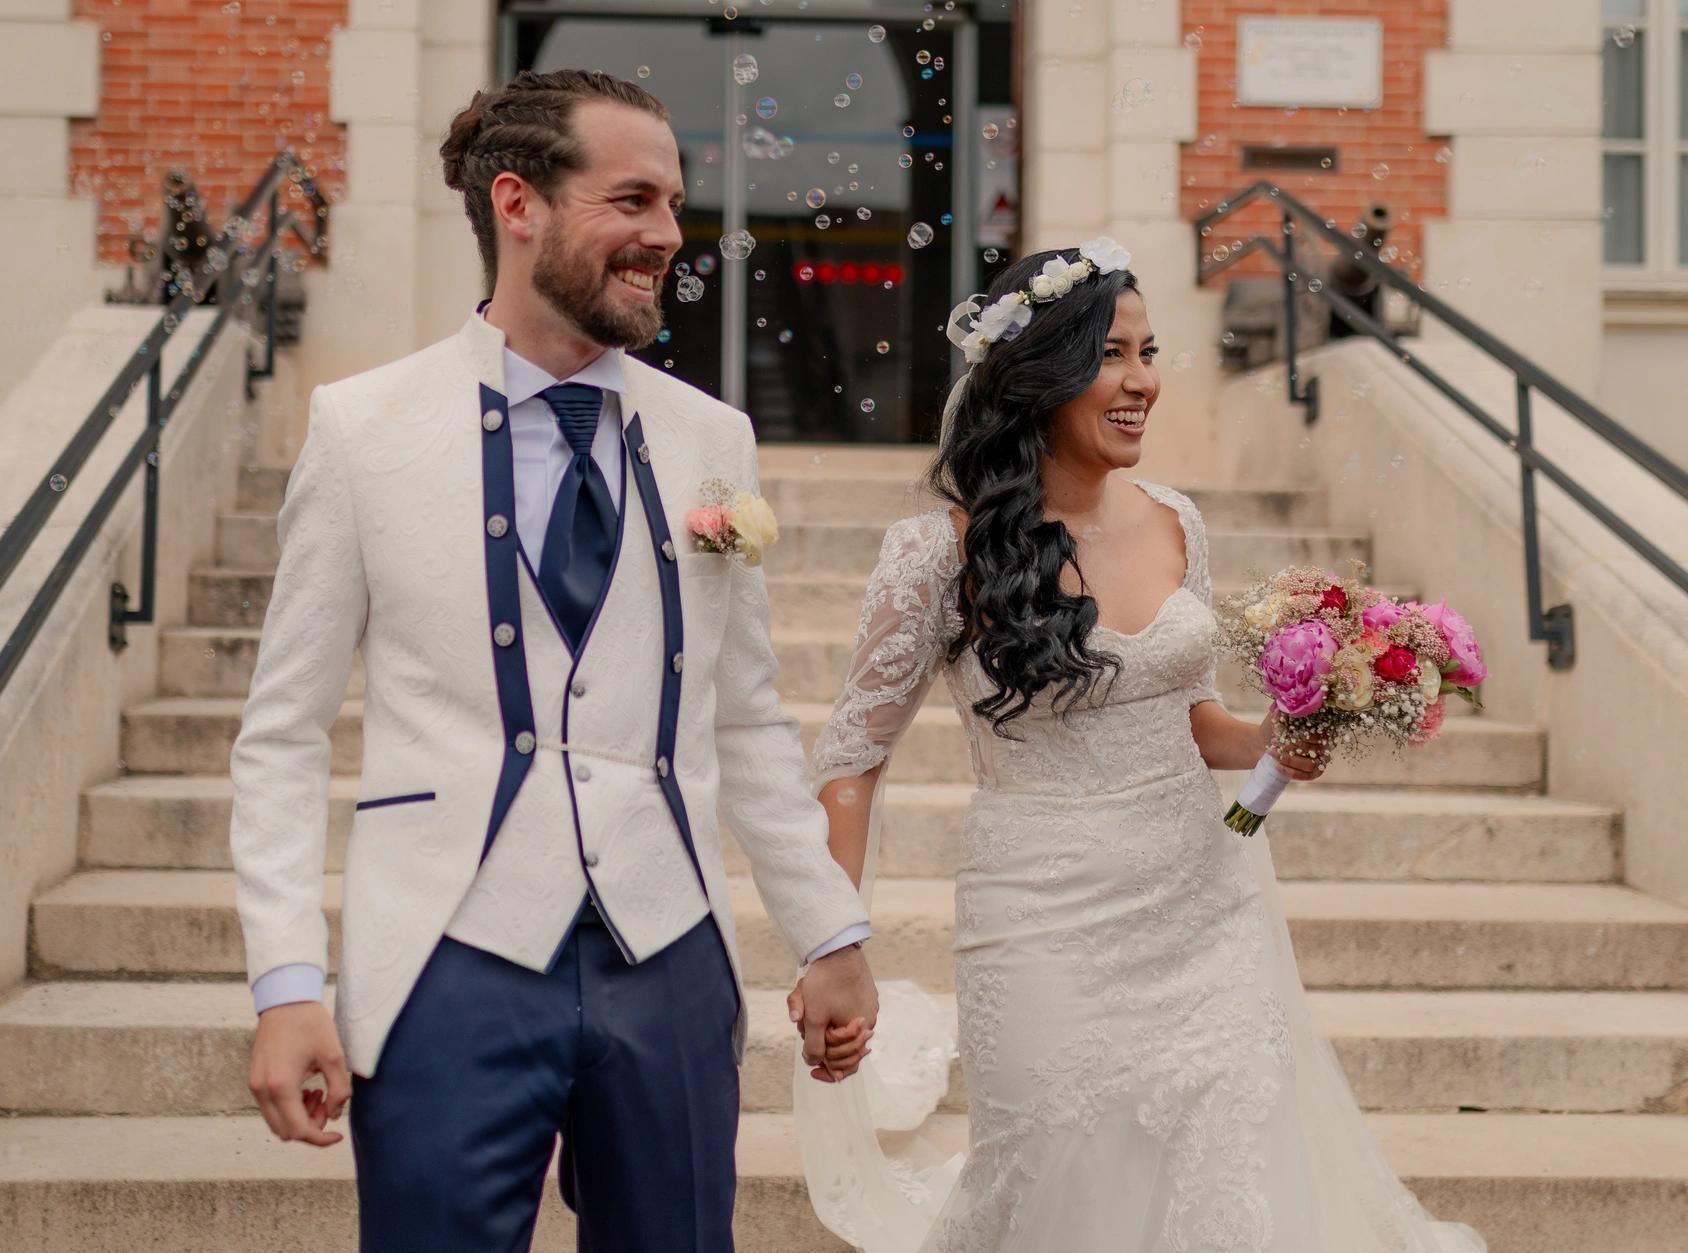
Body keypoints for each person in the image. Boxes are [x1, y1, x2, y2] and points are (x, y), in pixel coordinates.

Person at [229, 68, 878, 1251]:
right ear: (517, 203)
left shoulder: (708, 436)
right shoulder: (363, 429)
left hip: (667, 945)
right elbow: (279, 737)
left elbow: (744, 718)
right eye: (632, 200)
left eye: (675, 204)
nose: (669, 236)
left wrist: (827, 932)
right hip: (446, 955)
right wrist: (284, 981)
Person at [796, 242, 1486, 1252]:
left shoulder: (1178, 523)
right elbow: (851, 755)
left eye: (1149, 351)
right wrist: (833, 941)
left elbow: (1192, 713)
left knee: (1215, 1182)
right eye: (1110, 354)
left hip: (1200, 907)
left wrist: (1274, 737)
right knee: (1056, 1172)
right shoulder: (938, 553)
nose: (1142, 380)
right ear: (1038, 375)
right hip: (1037, 913)